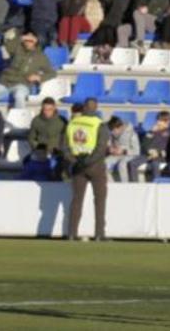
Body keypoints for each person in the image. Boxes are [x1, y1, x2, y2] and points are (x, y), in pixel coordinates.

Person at [60, 98, 110, 241]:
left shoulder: (72, 123)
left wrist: (75, 161)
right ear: (96, 108)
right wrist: (87, 161)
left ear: (83, 108)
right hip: (95, 165)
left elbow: (64, 146)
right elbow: (101, 149)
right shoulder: (99, 125)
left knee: (76, 200)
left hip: (77, 165)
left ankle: (71, 233)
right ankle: (99, 234)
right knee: (100, 200)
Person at [0, 32, 57, 108]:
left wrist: (39, 77)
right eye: (26, 40)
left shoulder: (41, 56)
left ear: (36, 41)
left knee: (20, 96)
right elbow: (7, 45)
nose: (28, 42)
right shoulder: (17, 48)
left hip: (23, 84)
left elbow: (52, 73)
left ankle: (19, 118)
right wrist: (21, 37)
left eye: (31, 41)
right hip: (5, 82)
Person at [27, 98, 66, 163]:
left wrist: (59, 149)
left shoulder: (62, 121)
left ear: (54, 108)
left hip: (56, 153)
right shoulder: (36, 120)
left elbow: (65, 139)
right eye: (45, 109)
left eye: (49, 109)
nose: (47, 112)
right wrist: (39, 148)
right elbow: (31, 138)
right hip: (40, 152)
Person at [105, 116, 142, 182]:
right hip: (116, 155)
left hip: (129, 155)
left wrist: (124, 151)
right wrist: (110, 149)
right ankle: (112, 185)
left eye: (114, 130)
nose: (113, 133)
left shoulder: (132, 134)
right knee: (103, 164)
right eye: (111, 131)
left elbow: (137, 151)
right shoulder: (112, 134)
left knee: (122, 164)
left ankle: (125, 185)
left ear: (120, 127)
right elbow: (109, 145)